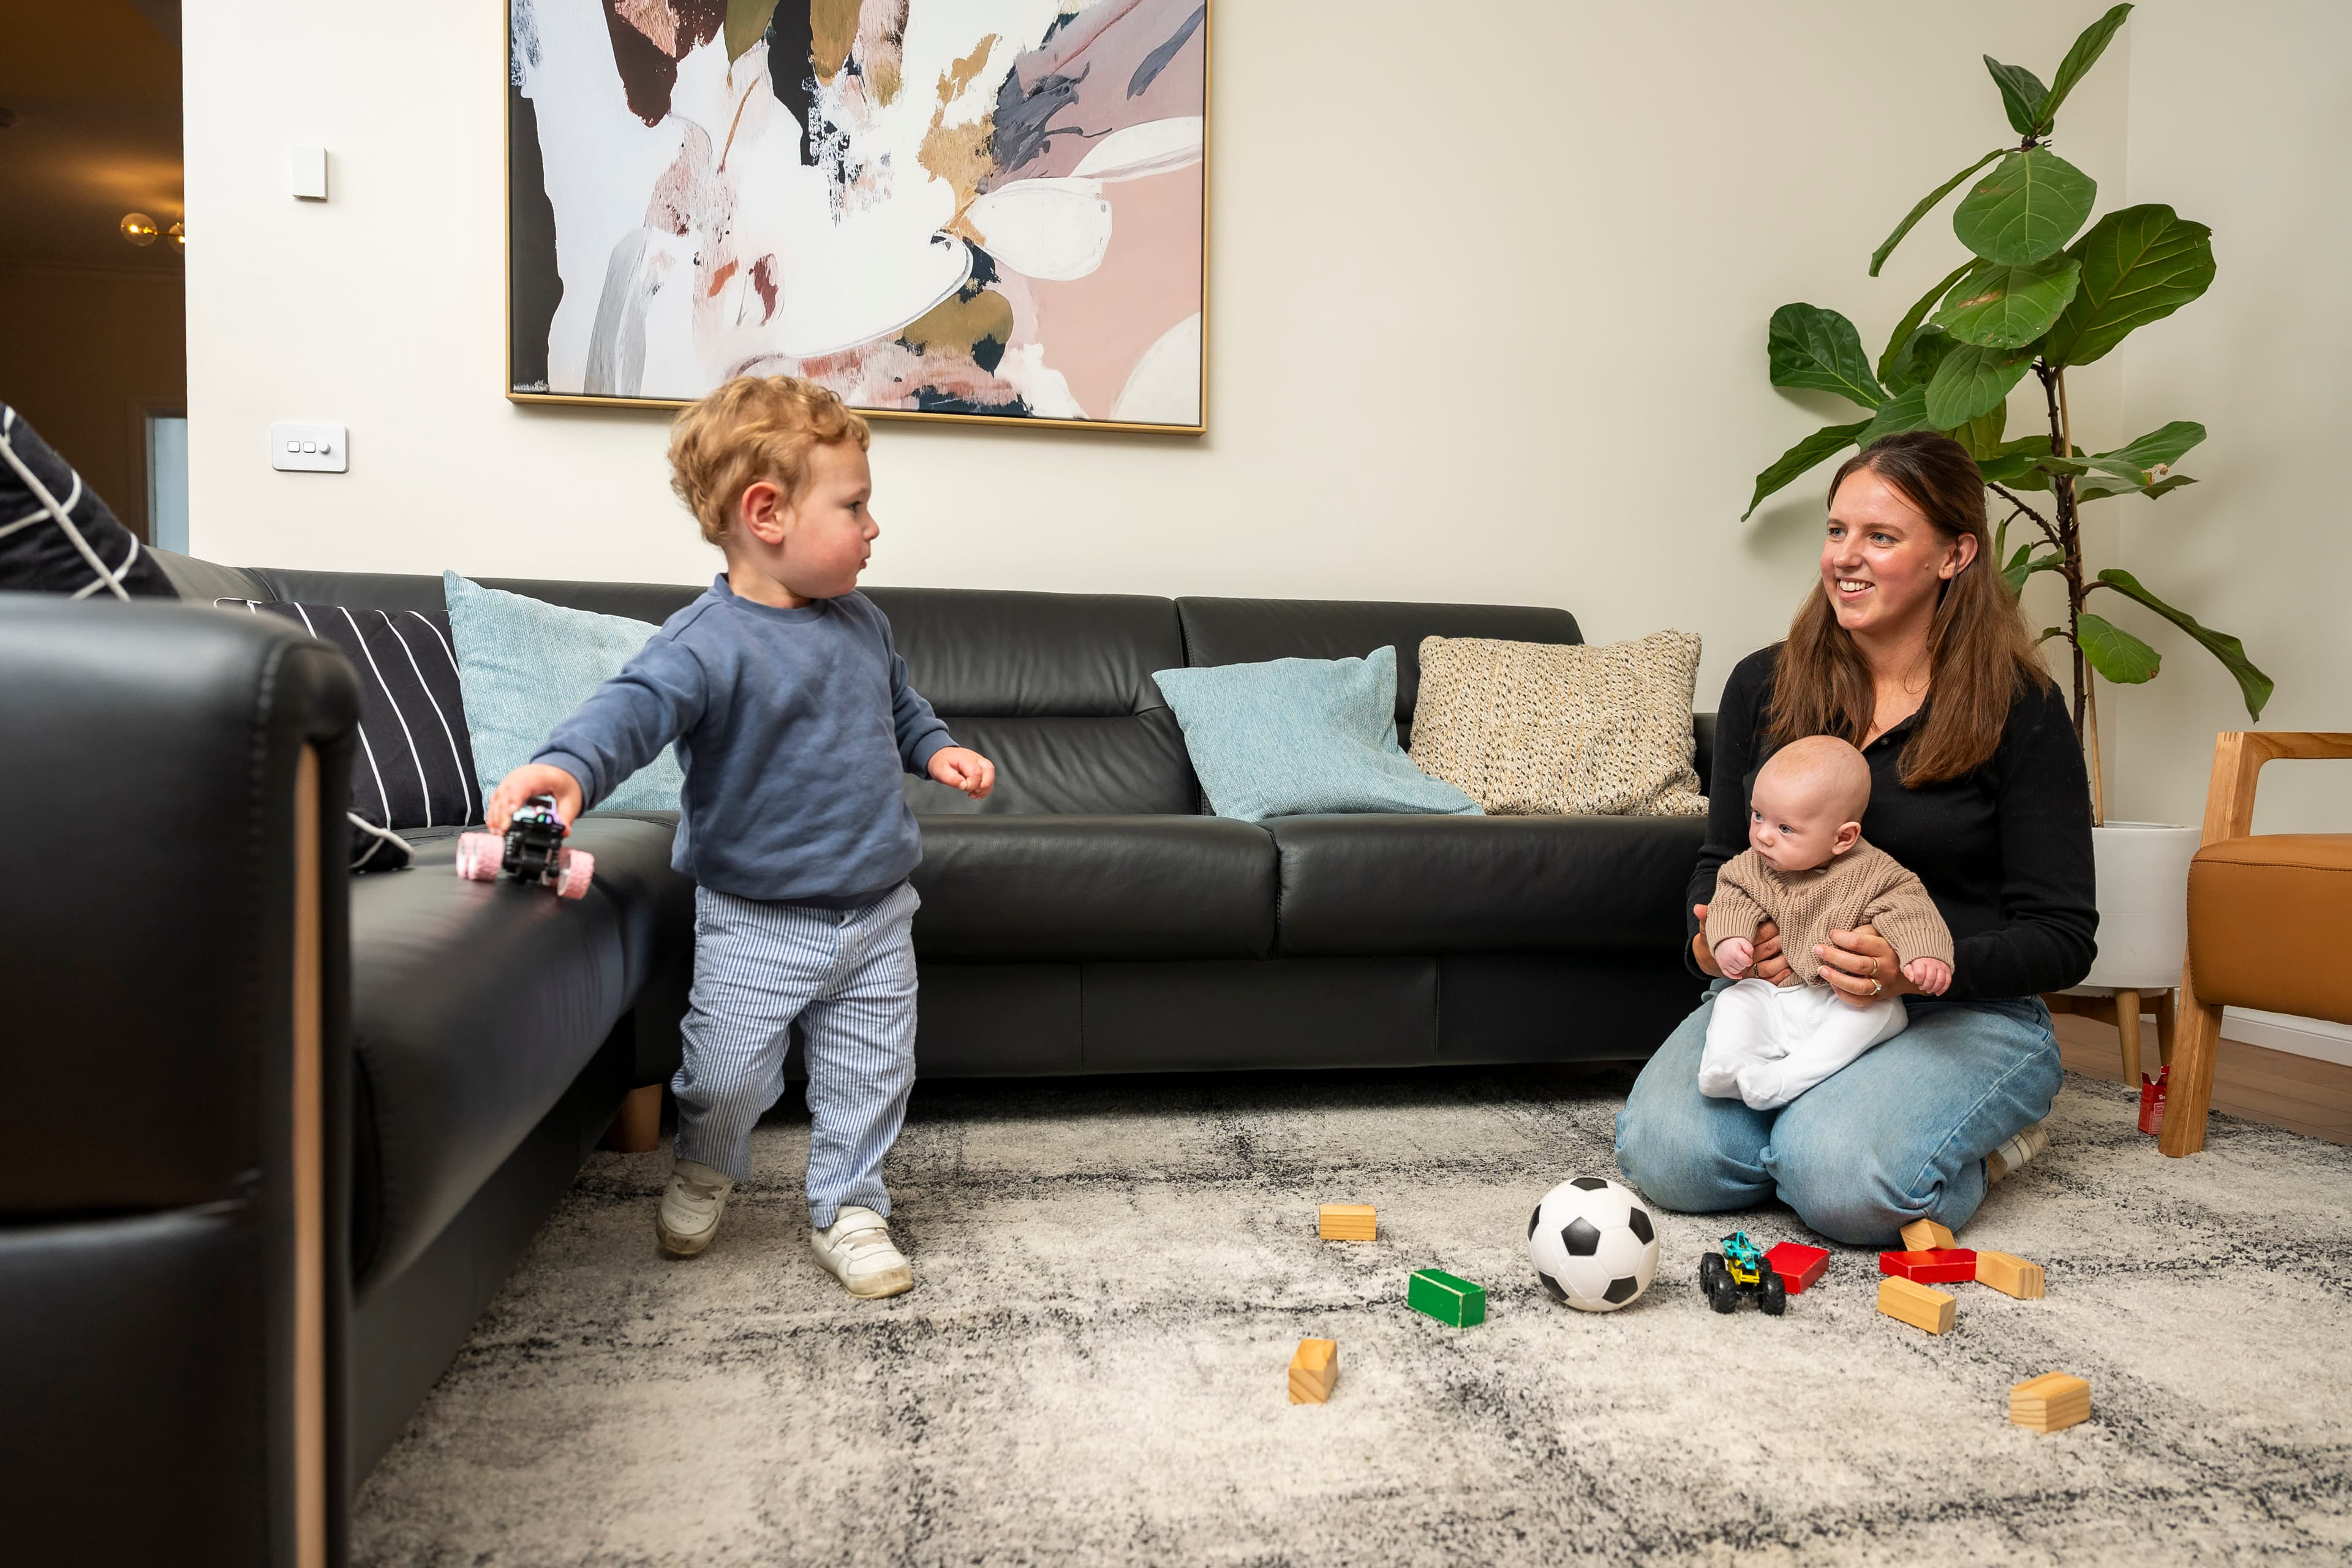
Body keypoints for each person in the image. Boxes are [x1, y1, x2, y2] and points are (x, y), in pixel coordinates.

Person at [484, 375, 997, 1298]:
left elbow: (900, 705)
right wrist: (565, 770)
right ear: (767, 513)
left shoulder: (864, 623)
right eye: (855, 505)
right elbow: (629, 713)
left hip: (878, 910)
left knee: (872, 1073)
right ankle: (707, 1163)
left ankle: (852, 1205)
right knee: (725, 1077)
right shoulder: (702, 643)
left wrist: (938, 749)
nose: (873, 527)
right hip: (756, 919)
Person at [1615, 431, 2095, 1246]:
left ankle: (1974, 1144)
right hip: (1785, 998)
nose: (1846, 556)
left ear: (1955, 554)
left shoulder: (2022, 707)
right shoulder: (1764, 684)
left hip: (1960, 1011)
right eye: (1838, 531)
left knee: (1839, 1184)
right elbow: (1718, 863)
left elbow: (2063, 936)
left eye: (1881, 536)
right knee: (1668, 1159)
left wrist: (1912, 971)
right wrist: (1717, 942)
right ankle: (1821, 1134)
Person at [1697, 734, 1953, 1112]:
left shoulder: (1875, 873)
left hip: (1842, 999)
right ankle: (1729, 1063)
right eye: (1758, 816)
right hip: (1776, 993)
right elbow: (1730, 898)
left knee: (1873, 1016)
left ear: (1843, 837)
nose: (1763, 836)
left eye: (1785, 828)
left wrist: (1924, 957)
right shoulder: (1751, 865)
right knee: (1735, 1000)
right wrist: (1728, 940)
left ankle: (1788, 1078)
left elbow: (1912, 912)